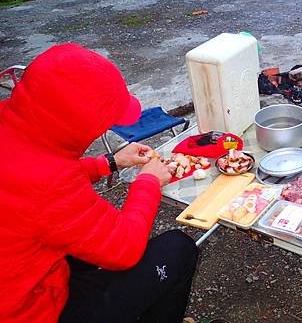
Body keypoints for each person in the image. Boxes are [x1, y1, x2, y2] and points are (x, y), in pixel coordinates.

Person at [0, 43, 199, 323]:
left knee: (86, 251)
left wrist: (108, 162)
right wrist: (148, 182)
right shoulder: (51, 183)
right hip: (27, 311)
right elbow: (124, 249)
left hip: (16, 274)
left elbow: (31, 177)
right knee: (179, 249)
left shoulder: (13, 125)